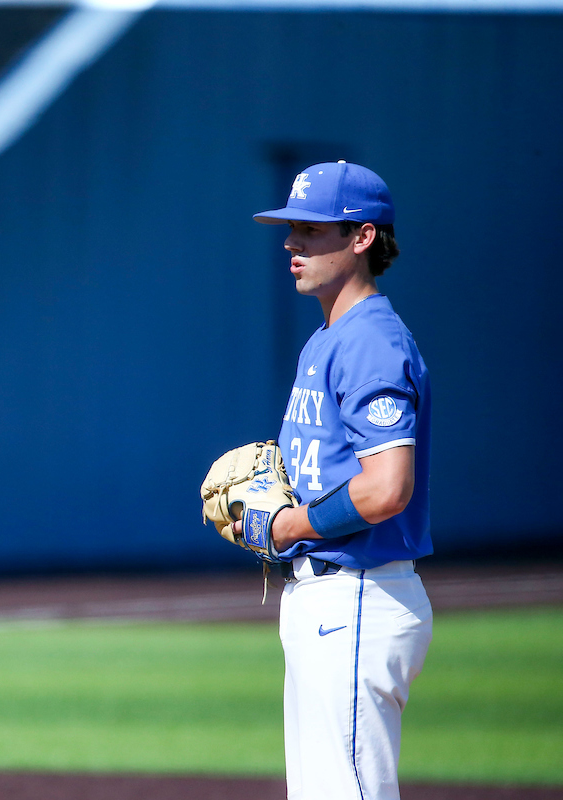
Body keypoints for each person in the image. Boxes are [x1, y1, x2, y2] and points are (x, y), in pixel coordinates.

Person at [240, 161, 434, 800]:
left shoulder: (372, 342)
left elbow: (386, 489)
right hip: (327, 599)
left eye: (312, 229)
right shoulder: (328, 338)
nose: (292, 243)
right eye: (292, 228)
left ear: (362, 238)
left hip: (355, 596)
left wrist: (288, 524)